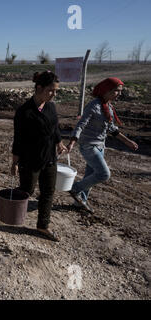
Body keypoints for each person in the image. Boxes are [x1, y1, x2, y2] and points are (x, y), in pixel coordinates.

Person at [67, 77, 138, 213]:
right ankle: (75, 189)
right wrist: (72, 142)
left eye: (120, 91)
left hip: (100, 146)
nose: (119, 94)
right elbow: (81, 124)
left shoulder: (108, 107)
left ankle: (80, 202)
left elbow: (112, 129)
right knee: (104, 174)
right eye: (117, 91)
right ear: (107, 90)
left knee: (90, 176)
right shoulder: (94, 106)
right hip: (89, 146)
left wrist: (127, 142)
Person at [11, 71, 67, 242]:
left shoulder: (51, 107)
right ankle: (11, 205)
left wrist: (59, 143)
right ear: (39, 88)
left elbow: (55, 127)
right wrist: (15, 162)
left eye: (56, 90)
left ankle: (43, 225)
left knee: (48, 191)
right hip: (30, 160)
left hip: (49, 157)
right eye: (51, 90)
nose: (54, 94)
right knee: (27, 189)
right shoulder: (24, 111)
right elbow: (18, 138)